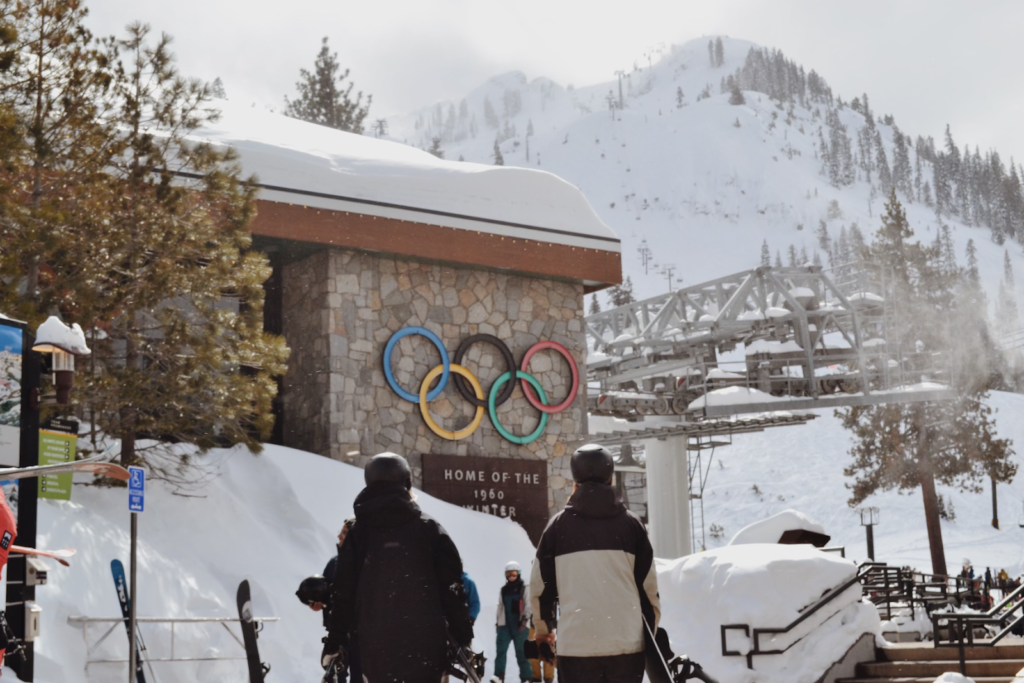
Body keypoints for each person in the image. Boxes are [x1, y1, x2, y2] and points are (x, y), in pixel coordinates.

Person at [322, 452, 474, 683]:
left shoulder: (358, 534)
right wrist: (463, 638)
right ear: (407, 482)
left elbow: (343, 592)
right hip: (426, 649)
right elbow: (452, 588)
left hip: (374, 650)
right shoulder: (430, 529)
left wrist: (335, 641)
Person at [529, 444, 660, 683]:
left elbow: (540, 588)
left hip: (577, 647)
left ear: (574, 480)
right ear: (611, 478)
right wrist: (648, 636)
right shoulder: (632, 526)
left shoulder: (557, 528)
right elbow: (649, 591)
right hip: (626, 647)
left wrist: (543, 631)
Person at [492, 561, 532, 683]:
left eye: (514, 573)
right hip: (505, 624)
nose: (511, 576)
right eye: (509, 574)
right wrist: (498, 623)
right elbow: (500, 606)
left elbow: (528, 604)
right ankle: (499, 676)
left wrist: (525, 620)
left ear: (518, 574)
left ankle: (526, 677)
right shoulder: (504, 590)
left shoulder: (523, 588)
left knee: (521, 652)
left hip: (520, 624)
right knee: (501, 650)